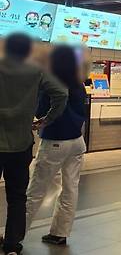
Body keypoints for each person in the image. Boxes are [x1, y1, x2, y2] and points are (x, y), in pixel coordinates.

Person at [0, 33, 68, 255]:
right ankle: (11, 245)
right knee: (17, 196)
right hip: (21, 144)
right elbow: (61, 93)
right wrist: (46, 120)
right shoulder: (36, 70)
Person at [24, 45, 86, 245]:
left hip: (55, 141)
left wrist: (40, 121)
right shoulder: (79, 82)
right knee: (70, 188)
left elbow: (41, 108)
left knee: (35, 190)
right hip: (77, 141)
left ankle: (15, 234)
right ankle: (60, 233)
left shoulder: (50, 80)